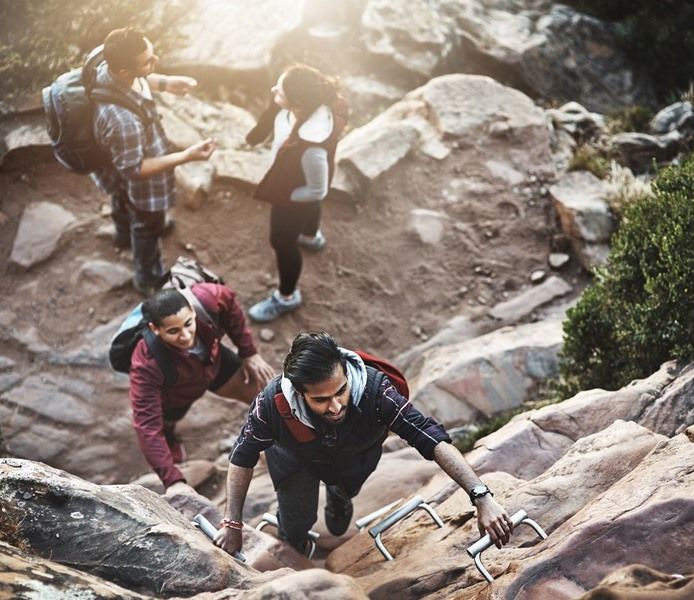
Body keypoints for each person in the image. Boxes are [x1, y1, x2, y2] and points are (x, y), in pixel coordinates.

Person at [214, 331, 513, 555]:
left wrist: (482, 496)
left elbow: (432, 438)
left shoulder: (375, 392)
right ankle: (297, 548)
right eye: (320, 400)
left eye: (340, 392)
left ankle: (339, 495)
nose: (335, 407)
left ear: (345, 372)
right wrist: (233, 523)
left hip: (353, 458)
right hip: (296, 461)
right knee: (295, 522)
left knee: (341, 509)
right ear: (299, 392)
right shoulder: (271, 403)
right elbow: (242, 456)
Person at [90, 27, 217, 296]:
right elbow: (135, 170)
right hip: (140, 176)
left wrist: (165, 82)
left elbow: (140, 79)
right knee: (148, 224)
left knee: (121, 196)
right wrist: (187, 156)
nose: (155, 61)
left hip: (116, 162)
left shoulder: (105, 61)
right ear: (124, 71)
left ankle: (123, 235)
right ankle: (146, 278)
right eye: (148, 61)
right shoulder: (122, 121)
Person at [129, 283, 275, 495]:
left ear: (191, 309)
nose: (186, 336)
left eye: (189, 324)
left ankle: (283, 440)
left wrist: (248, 352)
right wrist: (173, 481)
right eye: (173, 331)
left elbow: (230, 302)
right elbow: (146, 425)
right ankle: (171, 442)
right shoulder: (146, 363)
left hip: (213, 363)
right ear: (155, 329)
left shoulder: (205, 300)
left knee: (263, 393)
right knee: (164, 425)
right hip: (174, 391)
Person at [245, 65, 348, 322]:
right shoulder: (308, 107)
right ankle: (311, 236)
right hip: (296, 180)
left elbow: (317, 190)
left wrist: (285, 198)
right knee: (309, 210)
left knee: (281, 241)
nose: (273, 92)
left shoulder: (312, 148)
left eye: (279, 92)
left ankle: (287, 297)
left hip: (293, 194)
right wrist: (275, 105)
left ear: (298, 102)